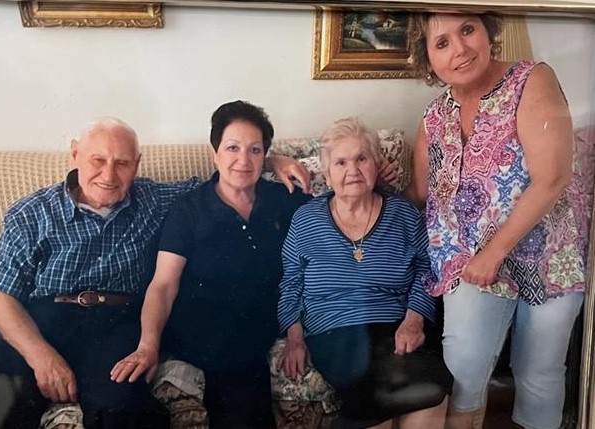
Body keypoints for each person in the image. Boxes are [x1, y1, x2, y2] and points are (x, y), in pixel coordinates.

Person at [0, 116, 310, 429]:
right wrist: (42, 358)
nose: (109, 174)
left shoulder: (155, 199)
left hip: (114, 324)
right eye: (97, 160)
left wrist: (270, 160)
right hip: (40, 320)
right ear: (75, 154)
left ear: (136, 164)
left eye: (122, 163)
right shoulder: (31, 213)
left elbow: (228, 179)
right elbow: (0, 298)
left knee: (123, 410)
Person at [406, 13, 589, 429]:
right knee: (464, 365)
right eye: (442, 43)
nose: (460, 49)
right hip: (468, 262)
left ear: (488, 31)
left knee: (539, 371)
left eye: (467, 30)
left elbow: (553, 176)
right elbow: (420, 194)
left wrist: (495, 252)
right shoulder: (433, 117)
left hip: (548, 255)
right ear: (428, 59)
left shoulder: (531, 79)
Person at [110, 101, 313, 428]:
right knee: (239, 382)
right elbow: (163, 285)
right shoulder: (190, 209)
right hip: (205, 324)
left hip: (261, 318)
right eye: (232, 148)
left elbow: (343, 204)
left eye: (255, 150)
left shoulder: (283, 198)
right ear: (215, 152)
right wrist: (148, 346)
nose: (243, 160)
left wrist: (381, 176)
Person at [277, 117, 452, 429]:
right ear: (327, 174)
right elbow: (290, 282)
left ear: (377, 164)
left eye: (362, 158)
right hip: (333, 329)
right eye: (341, 162)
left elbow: (427, 268)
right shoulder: (306, 220)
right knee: (371, 389)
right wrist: (294, 336)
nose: (353, 170)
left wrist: (413, 320)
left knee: (433, 390)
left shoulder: (404, 215)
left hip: (394, 326)